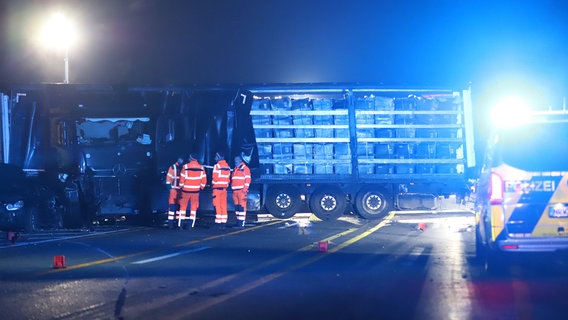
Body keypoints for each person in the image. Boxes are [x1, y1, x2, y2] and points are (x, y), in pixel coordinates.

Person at [179, 153, 207, 229]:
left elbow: (182, 179)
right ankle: (191, 225)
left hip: (185, 191)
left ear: (191, 158)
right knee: (193, 208)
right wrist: (200, 187)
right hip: (195, 191)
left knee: (183, 208)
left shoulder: (185, 167)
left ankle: (181, 225)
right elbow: (204, 180)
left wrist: (181, 186)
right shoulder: (201, 168)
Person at [212, 152, 231, 228]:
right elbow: (228, 179)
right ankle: (223, 223)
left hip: (217, 189)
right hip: (224, 189)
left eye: (216, 157)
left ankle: (218, 223)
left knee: (217, 205)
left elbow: (215, 178)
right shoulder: (227, 166)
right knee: (223, 206)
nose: (215, 158)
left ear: (218, 157)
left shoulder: (217, 166)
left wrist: (212, 184)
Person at [231, 155, 251, 228]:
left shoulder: (245, 168)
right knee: (237, 208)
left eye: (236, 160)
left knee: (242, 207)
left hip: (241, 191)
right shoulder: (235, 169)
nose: (235, 162)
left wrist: (244, 189)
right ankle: (238, 222)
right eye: (235, 161)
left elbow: (248, 179)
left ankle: (241, 223)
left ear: (240, 160)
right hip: (235, 191)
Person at [165, 157, 184, 229]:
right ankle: (171, 223)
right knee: (173, 207)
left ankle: (174, 222)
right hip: (175, 190)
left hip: (178, 190)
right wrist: (169, 188)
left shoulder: (181, 167)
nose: (181, 161)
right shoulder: (173, 167)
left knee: (177, 207)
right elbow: (168, 179)